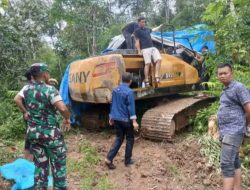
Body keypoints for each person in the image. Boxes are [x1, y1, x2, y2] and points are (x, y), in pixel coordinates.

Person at [23, 63, 70, 189]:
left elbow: (18, 99)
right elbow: (62, 107)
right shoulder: (49, 90)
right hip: (51, 135)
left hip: (34, 134)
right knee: (58, 164)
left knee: (40, 164)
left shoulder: (26, 89)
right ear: (44, 74)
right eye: (47, 72)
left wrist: (25, 112)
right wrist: (67, 119)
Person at [217, 63, 250, 190]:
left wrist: (245, 126)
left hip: (234, 130)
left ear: (232, 73)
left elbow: (248, 110)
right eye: (220, 74)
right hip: (226, 132)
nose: (223, 76)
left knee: (226, 164)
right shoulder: (225, 90)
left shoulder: (238, 87)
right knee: (234, 161)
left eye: (225, 73)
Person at [105, 73, 139, 169]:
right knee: (130, 138)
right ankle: (127, 161)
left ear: (121, 79)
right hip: (125, 120)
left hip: (116, 119)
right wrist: (134, 122)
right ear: (130, 81)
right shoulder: (129, 92)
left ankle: (109, 158)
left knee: (119, 138)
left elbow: (113, 104)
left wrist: (111, 117)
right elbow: (131, 107)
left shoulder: (115, 90)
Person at [134, 17, 163, 87]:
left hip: (152, 47)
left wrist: (160, 26)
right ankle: (146, 79)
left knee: (159, 59)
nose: (143, 23)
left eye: (144, 22)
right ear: (139, 23)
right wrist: (139, 51)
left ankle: (156, 76)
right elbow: (137, 42)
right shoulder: (137, 31)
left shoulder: (147, 29)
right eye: (142, 22)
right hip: (145, 49)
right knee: (148, 64)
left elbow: (153, 29)